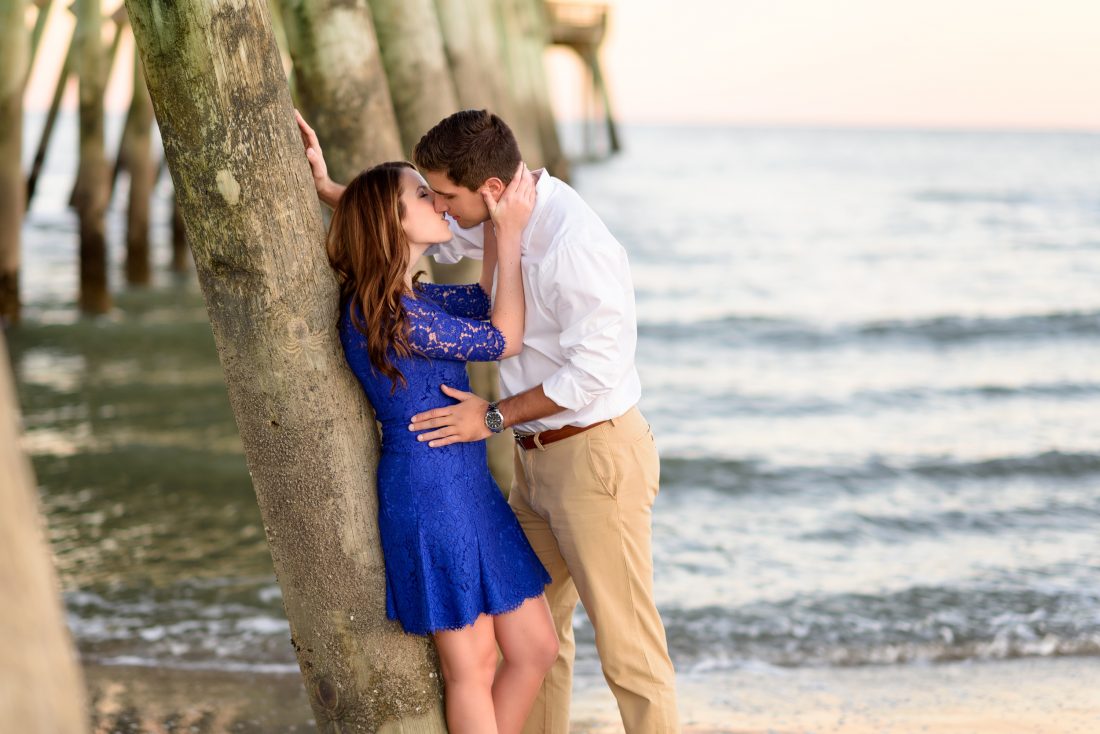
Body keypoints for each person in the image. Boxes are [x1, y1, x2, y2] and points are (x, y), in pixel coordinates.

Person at [298, 109, 680, 734]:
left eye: (443, 194)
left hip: (591, 457)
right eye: (429, 196)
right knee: (535, 644)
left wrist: (496, 415)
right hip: (511, 467)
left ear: (492, 192)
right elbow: (417, 238)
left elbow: (593, 373)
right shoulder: (469, 239)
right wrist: (335, 192)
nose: (443, 210)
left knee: (627, 654)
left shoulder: (572, 244)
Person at [322, 152, 558, 734]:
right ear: (392, 221)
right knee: (473, 666)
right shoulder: (385, 312)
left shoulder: (415, 300)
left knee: (534, 648)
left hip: (469, 485)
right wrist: (507, 230)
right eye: (423, 196)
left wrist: (329, 186)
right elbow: (503, 338)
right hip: (430, 493)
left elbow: (485, 299)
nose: (438, 203)